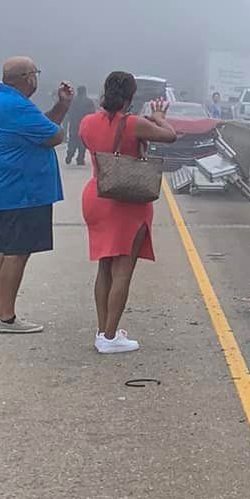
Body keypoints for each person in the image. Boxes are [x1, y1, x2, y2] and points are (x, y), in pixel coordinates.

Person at [79, 72, 178, 354]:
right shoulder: (134, 124)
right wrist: (159, 117)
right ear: (131, 97)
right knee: (123, 270)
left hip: (97, 194)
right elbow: (170, 136)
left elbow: (93, 145)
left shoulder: (87, 122)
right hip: (126, 201)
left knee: (104, 267)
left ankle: (102, 331)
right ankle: (111, 337)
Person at [0, 56, 74, 333]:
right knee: (17, 253)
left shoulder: (5, 101)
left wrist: (62, 105)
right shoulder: (16, 106)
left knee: (2, 249)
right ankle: (7, 317)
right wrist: (60, 118)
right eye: (35, 73)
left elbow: (41, 128)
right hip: (20, 191)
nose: (36, 78)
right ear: (26, 77)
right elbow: (54, 136)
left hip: (4, 189)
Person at [64, 84, 96, 166]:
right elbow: (92, 113)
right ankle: (80, 159)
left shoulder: (72, 101)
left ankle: (69, 155)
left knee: (72, 141)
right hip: (84, 125)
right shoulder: (89, 101)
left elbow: (68, 112)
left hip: (73, 124)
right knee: (82, 143)